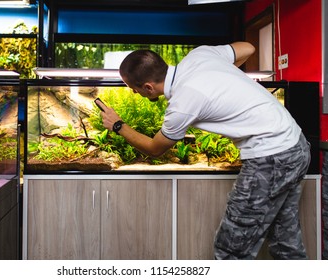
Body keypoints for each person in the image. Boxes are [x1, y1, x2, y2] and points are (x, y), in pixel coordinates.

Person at [95, 42, 311, 260]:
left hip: (271, 158)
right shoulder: (200, 55)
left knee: (231, 250)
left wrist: (118, 125)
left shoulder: (182, 103)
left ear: (148, 87)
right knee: (285, 239)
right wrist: (224, 76)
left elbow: (155, 148)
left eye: (134, 89)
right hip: (297, 145)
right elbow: (248, 48)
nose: (134, 92)